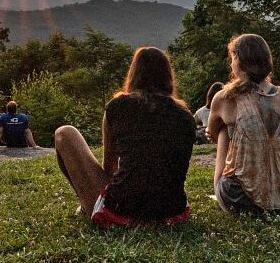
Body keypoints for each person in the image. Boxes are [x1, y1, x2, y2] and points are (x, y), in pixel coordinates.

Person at [53, 46, 196, 227]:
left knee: (64, 133)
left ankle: (86, 205)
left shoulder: (117, 106)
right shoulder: (186, 116)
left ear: (133, 74)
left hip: (123, 210)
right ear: (168, 77)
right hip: (172, 212)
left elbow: (109, 167)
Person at [207, 34, 280, 214]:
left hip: (241, 200)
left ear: (239, 60)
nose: (230, 64)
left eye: (232, 58)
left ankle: (220, 189)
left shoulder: (225, 97)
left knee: (223, 130)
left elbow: (211, 132)